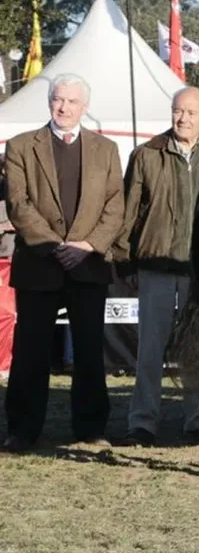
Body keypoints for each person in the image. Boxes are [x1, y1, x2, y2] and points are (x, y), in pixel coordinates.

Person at [2, 74, 124, 451]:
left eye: (72, 101)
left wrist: (87, 246)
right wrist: (57, 246)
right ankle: (22, 429)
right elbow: (19, 205)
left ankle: (90, 428)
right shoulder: (21, 147)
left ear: (84, 107)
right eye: (58, 99)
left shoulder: (106, 149)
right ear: (49, 101)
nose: (64, 107)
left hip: (88, 265)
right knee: (30, 352)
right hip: (40, 265)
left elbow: (115, 205)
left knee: (88, 351)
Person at [115, 87, 199, 447]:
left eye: (191, 112)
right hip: (156, 264)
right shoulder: (146, 155)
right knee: (150, 348)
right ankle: (141, 422)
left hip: (198, 270)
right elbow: (129, 211)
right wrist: (123, 259)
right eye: (178, 111)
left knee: (198, 348)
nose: (183, 118)